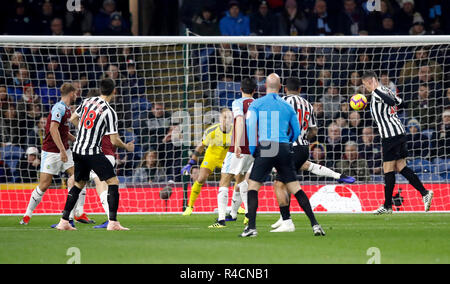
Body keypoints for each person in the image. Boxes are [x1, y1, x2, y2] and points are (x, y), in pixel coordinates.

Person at [240, 73, 325, 238]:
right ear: (280, 87)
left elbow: (250, 127)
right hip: (285, 147)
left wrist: (253, 150)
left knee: (253, 186)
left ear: (264, 87)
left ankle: (251, 228)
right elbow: (296, 131)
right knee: (295, 187)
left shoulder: (257, 104)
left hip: (267, 147)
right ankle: (315, 225)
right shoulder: (287, 106)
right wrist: (288, 142)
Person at [271, 77, 355, 233]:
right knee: (300, 170)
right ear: (300, 90)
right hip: (303, 147)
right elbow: (314, 130)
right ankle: (337, 175)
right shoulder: (308, 104)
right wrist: (303, 137)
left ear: (284, 89)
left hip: (287, 147)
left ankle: (289, 221)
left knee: (281, 185)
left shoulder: (281, 102)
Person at [53, 79, 134, 231]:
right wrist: (126, 146)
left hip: (78, 149)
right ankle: (113, 222)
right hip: (92, 152)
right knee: (113, 182)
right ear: (114, 91)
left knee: (78, 184)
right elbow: (114, 140)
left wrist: (86, 130)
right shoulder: (109, 112)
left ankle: (64, 221)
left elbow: (73, 118)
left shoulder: (88, 101)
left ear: (100, 89)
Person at [361, 71, 434, 214]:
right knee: (401, 166)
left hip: (391, 135)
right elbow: (402, 103)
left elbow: (392, 102)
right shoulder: (386, 90)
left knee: (388, 169)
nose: (366, 88)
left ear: (370, 81)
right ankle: (424, 193)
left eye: (365, 85)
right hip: (398, 132)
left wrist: (376, 92)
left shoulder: (378, 92)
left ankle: (387, 205)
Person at [20, 83, 78, 225]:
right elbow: (53, 129)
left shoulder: (67, 110)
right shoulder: (58, 107)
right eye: (75, 93)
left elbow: (63, 131)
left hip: (65, 149)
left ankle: (69, 217)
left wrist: (74, 139)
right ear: (71, 93)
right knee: (44, 185)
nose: (76, 95)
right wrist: (62, 151)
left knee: (77, 178)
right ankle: (27, 215)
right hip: (52, 151)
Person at [208, 78, 256, 228]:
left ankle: (221, 220)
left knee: (225, 179)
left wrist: (237, 144)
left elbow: (240, 120)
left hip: (240, 145)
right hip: (254, 147)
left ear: (240, 90)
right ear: (254, 91)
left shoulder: (237, 103)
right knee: (241, 179)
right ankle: (246, 214)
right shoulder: (258, 104)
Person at [181, 108, 233, 216]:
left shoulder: (236, 131)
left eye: (229, 118)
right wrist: (191, 163)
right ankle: (189, 207)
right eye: (224, 117)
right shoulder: (212, 131)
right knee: (201, 178)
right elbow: (200, 147)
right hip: (211, 157)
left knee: (239, 178)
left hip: (226, 158)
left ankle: (237, 207)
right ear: (219, 118)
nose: (226, 120)